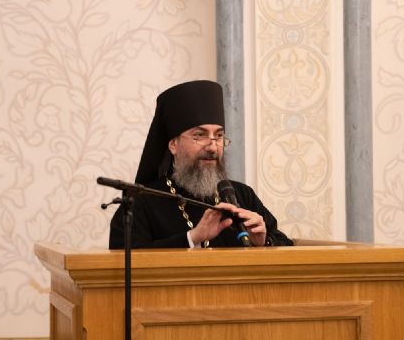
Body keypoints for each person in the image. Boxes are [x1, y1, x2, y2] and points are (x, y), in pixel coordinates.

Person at [109, 80, 293, 248]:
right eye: (199, 135)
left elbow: (286, 246)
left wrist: (262, 242)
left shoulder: (242, 195)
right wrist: (192, 238)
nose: (212, 147)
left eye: (218, 136)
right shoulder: (140, 202)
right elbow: (124, 260)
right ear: (173, 145)